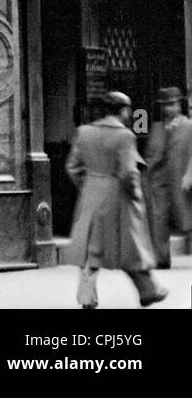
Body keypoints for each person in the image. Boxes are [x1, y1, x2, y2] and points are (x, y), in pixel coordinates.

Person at [63, 92, 168, 308]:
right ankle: (148, 290)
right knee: (130, 246)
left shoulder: (83, 132)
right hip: (118, 197)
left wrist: (89, 185)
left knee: (91, 248)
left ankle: (86, 296)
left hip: (91, 194)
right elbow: (128, 172)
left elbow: (72, 166)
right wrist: (136, 195)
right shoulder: (125, 136)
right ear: (124, 110)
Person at [146, 86, 192, 268]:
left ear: (179, 105)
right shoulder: (157, 127)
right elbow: (150, 153)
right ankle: (161, 258)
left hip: (182, 177)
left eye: (172, 104)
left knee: (187, 216)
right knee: (158, 219)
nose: (169, 109)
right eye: (165, 105)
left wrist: (190, 174)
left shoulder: (189, 126)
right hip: (160, 180)